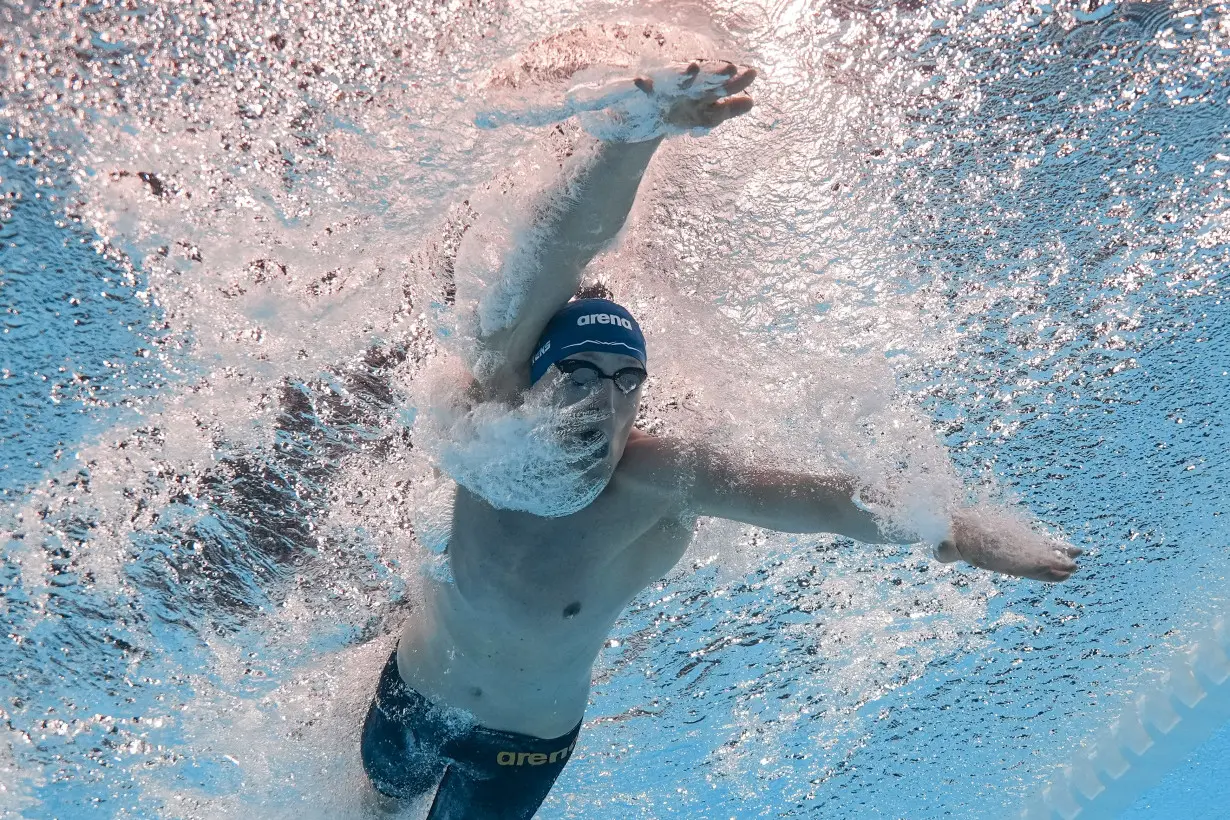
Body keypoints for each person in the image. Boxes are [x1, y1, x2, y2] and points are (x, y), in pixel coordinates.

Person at [360, 59, 1080, 819]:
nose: (602, 399)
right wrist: (633, 136)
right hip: (416, 692)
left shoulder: (658, 478)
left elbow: (823, 503)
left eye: (625, 380)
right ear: (533, 378)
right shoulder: (489, 422)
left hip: (522, 745)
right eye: (578, 373)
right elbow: (556, 251)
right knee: (374, 809)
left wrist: (957, 531)